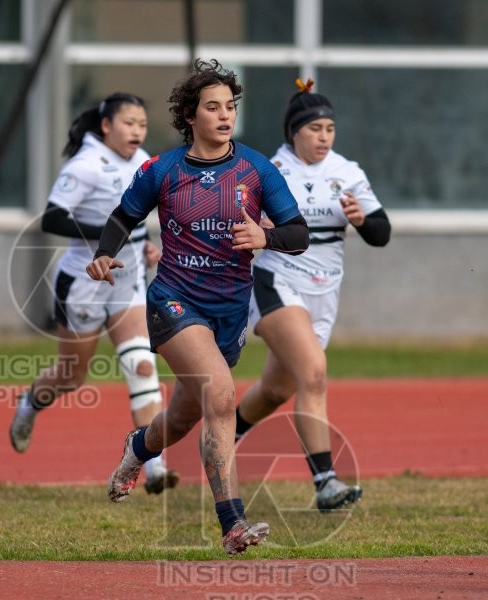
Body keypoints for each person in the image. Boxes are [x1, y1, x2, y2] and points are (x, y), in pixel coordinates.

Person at [86, 59, 310, 555]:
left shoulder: (256, 169)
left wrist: (265, 236)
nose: (224, 115)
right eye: (212, 107)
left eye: (230, 106)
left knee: (185, 417)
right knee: (222, 395)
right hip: (173, 302)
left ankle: (138, 447)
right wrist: (104, 255)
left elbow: (299, 234)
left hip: (229, 313)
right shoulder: (162, 170)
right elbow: (123, 218)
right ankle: (232, 522)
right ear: (191, 115)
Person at [8, 92, 178, 495]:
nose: (137, 131)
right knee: (71, 375)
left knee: (141, 365)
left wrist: (146, 243)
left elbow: (136, 217)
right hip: (84, 282)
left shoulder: (142, 162)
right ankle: (30, 403)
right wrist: (105, 239)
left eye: (141, 124)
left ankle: (153, 465)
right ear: (106, 126)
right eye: (128, 123)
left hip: (128, 281)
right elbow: (52, 217)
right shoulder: (85, 166)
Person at [235, 79, 391, 512]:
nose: (324, 137)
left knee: (275, 388)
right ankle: (326, 482)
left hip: (325, 288)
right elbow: (237, 230)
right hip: (276, 281)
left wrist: (362, 220)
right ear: (293, 132)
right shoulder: (270, 172)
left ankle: (222, 434)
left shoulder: (347, 171)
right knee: (315, 373)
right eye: (315, 128)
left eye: (329, 129)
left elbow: (382, 234)